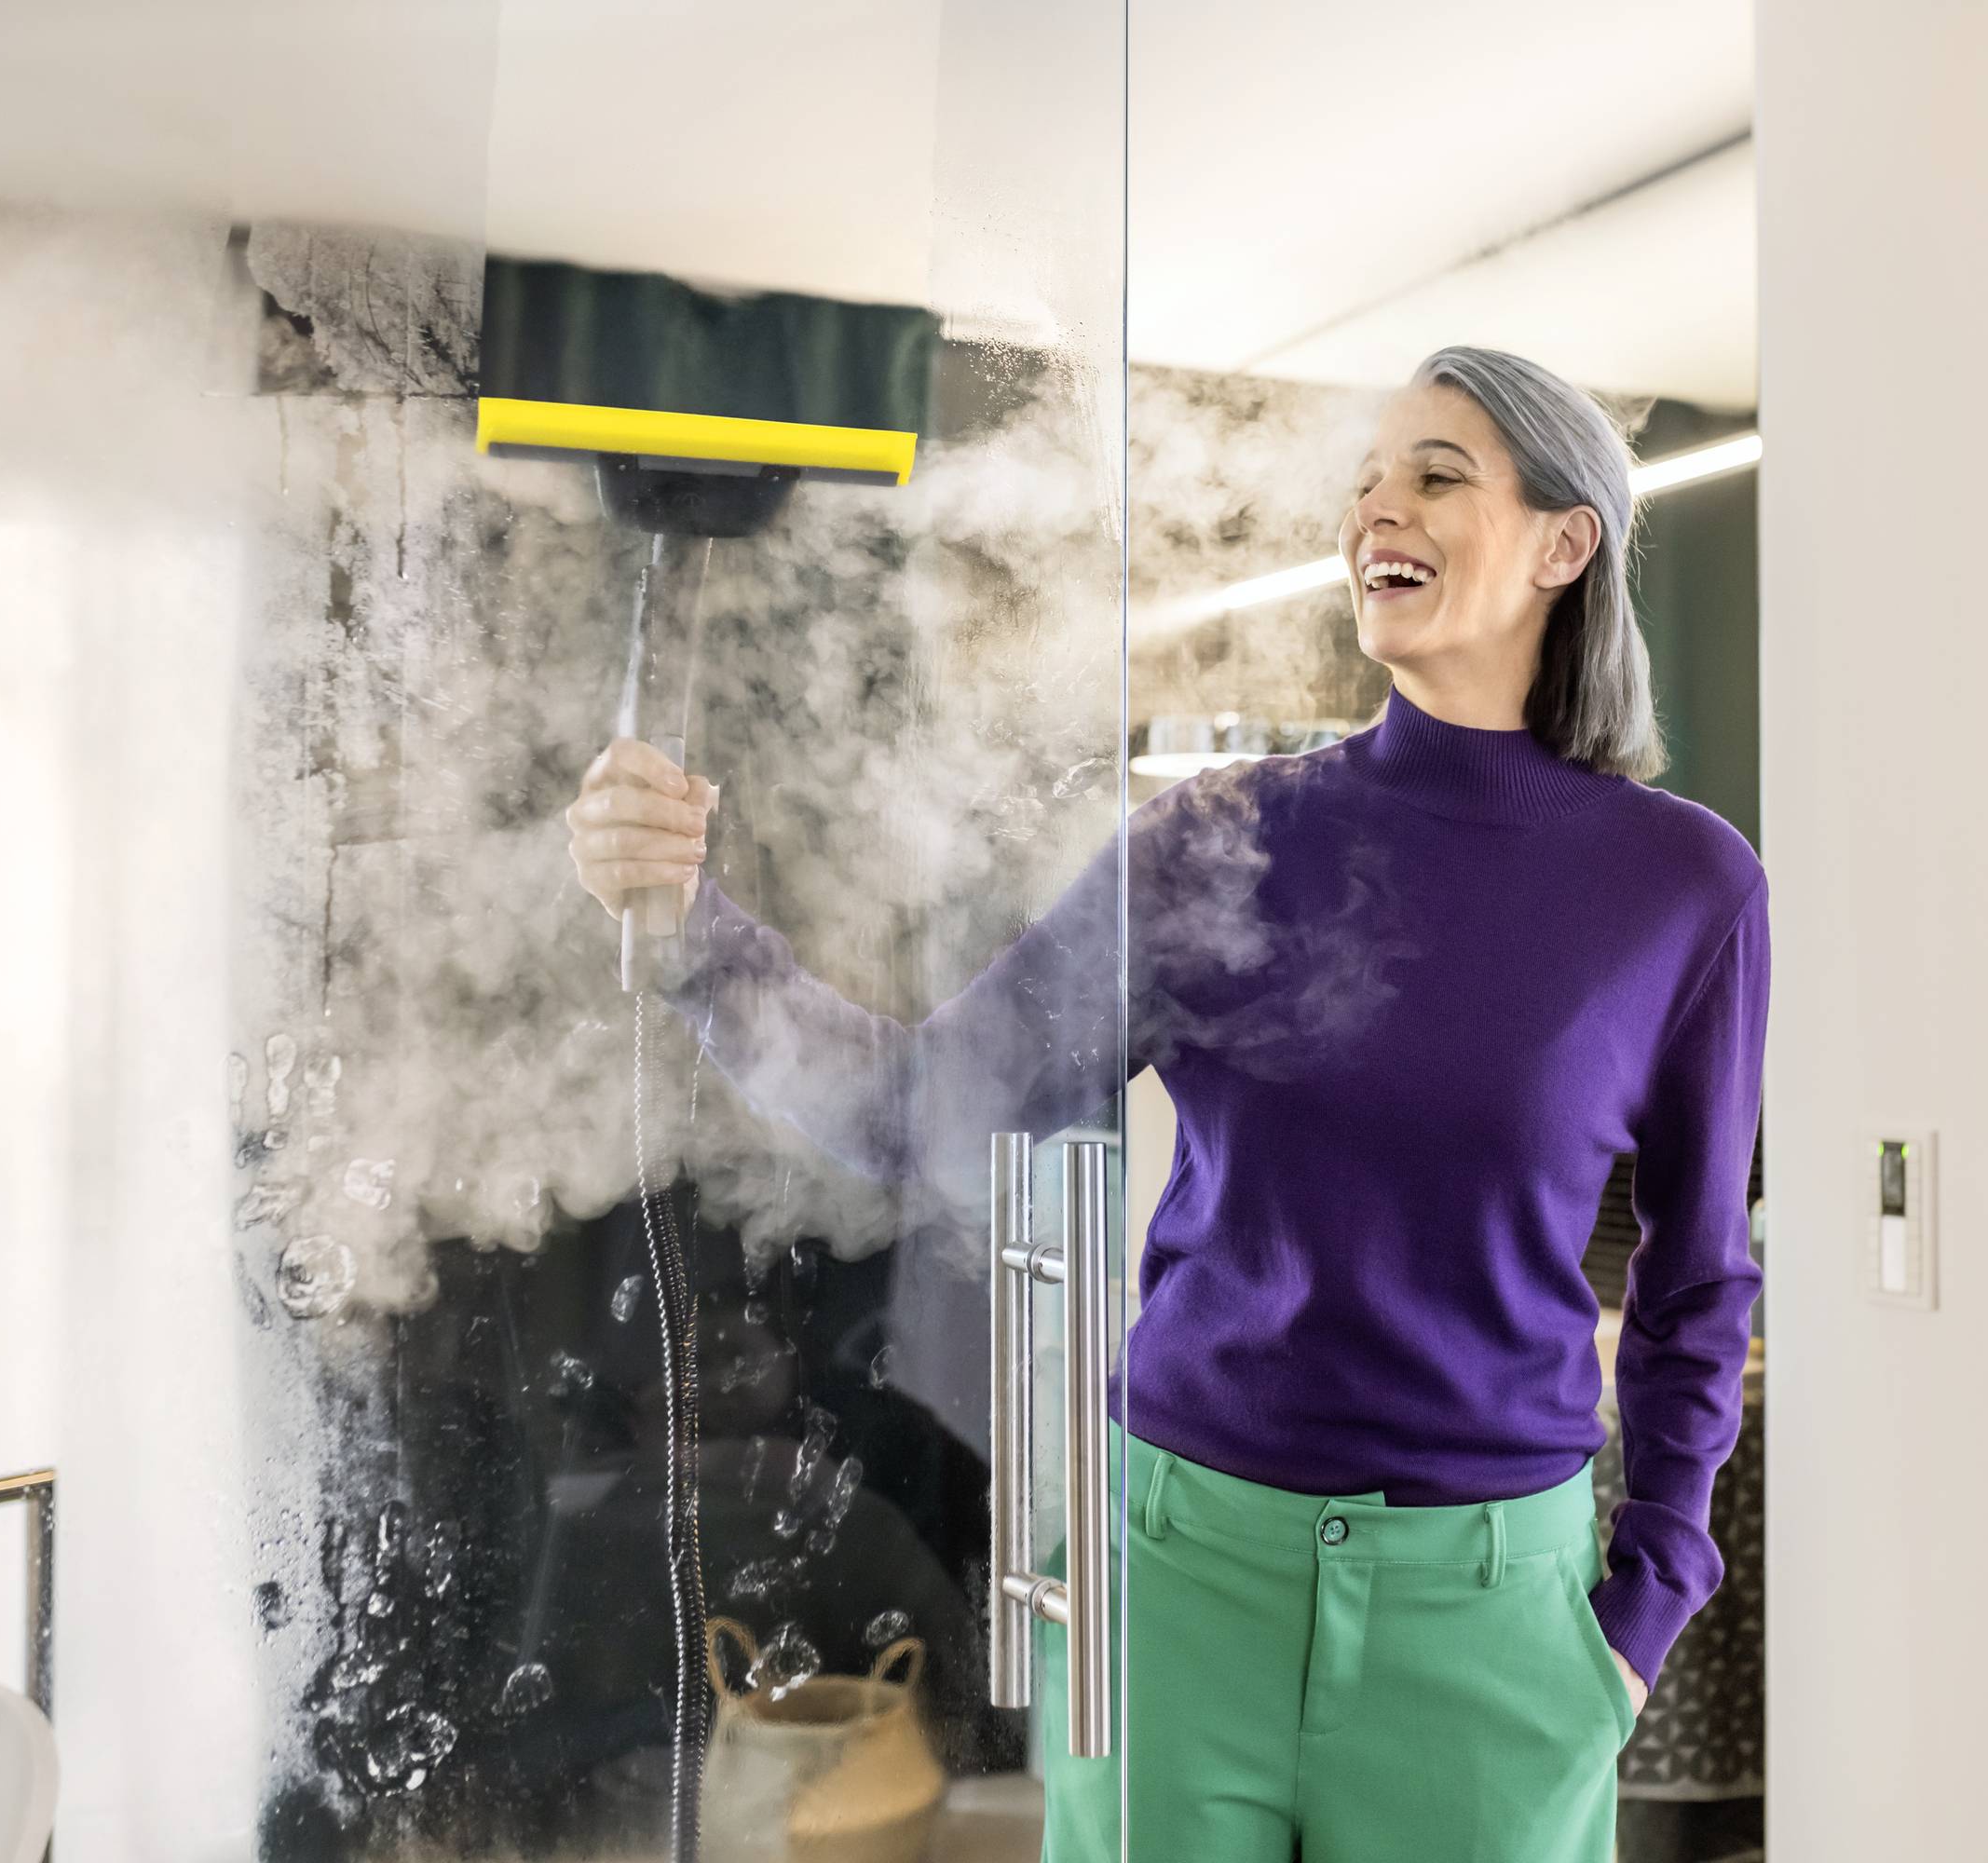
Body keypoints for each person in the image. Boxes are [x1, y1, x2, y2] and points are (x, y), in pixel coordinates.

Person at [564, 346, 1771, 1862]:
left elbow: (1699, 1280)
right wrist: (692, 932)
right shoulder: (1220, 843)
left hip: (1493, 1624)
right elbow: (928, 1108)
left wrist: (1639, 1614)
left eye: (1438, 475)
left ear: (1563, 543)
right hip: (1181, 1590)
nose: (1377, 506)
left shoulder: (1682, 890)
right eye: (1368, 480)